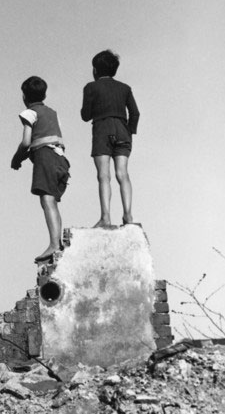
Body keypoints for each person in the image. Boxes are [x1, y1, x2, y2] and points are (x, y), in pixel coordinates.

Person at [11, 76, 70, 263]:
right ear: (44, 94)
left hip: (46, 158)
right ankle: (58, 243)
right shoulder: (53, 113)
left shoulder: (30, 113)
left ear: (24, 97)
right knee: (51, 201)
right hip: (61, 159)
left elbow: (26, 141)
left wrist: (17, 158)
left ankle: (54, 244)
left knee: (47, 201)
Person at [80, 49, 140, 227]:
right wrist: (129, 131)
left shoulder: (91, 87)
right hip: (122, 130)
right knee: (123, 173)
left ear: (95, 70)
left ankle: (105, 217)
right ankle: (128, 216)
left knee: (103, 176)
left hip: (102, 129)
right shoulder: (125, 88)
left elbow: (85, 115)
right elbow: (135, 113)